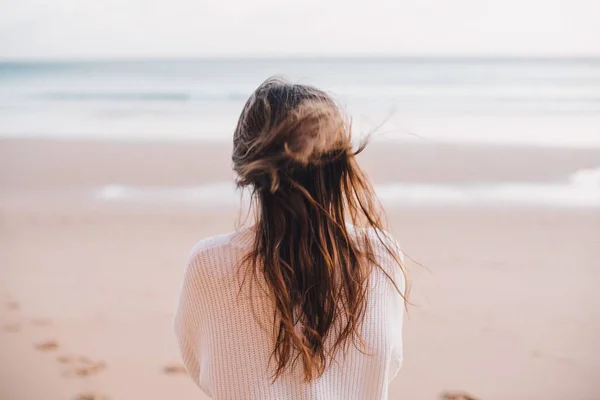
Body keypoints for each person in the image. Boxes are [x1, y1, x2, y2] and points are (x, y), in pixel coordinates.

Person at [174, 77, 407, 400]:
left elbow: (201, 368)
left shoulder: (209, 263)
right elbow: (389, 363)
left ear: (247, 170)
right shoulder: (381, 255)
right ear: (340, 164)